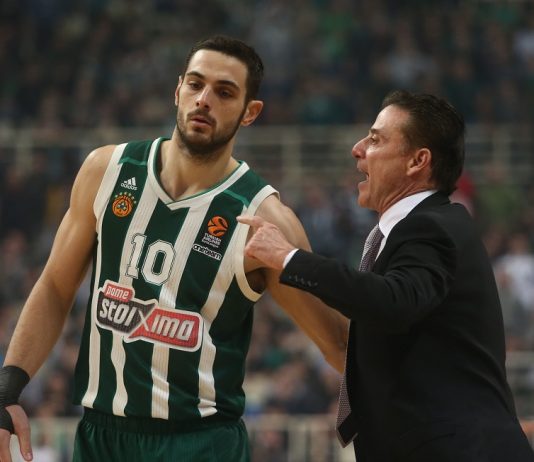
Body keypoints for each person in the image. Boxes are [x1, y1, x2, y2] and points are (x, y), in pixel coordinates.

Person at [0, 36, 348, 462]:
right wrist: (7, 389)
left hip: (200, 442)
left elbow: (337, 342)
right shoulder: (106, 171)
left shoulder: (265, 218)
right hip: (101, 436)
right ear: (178, 89)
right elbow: (55, 286)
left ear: (250, 112)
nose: (204, 100)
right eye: (196, 85)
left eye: (224, 92)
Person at [238, 90, 534, 461]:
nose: (357, 149)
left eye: (376, 140)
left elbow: (393, 301)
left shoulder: (432, 227)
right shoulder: (416, 230)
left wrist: (289, 258)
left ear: (418, 161)